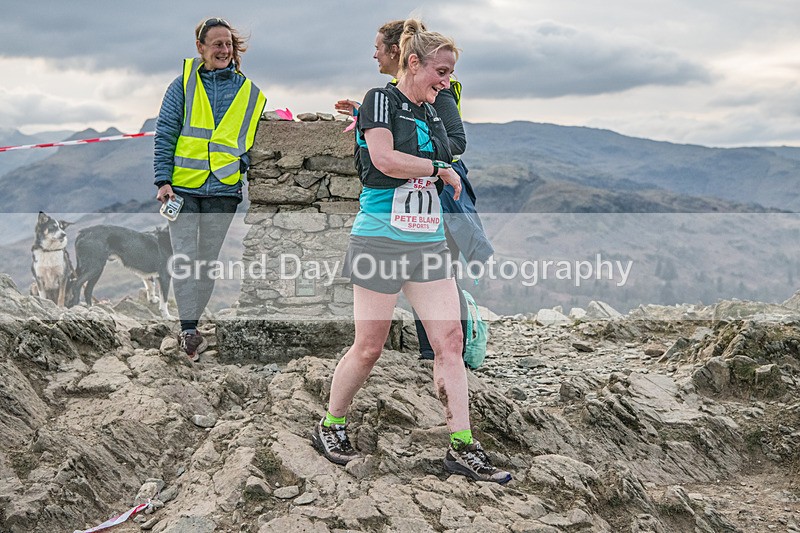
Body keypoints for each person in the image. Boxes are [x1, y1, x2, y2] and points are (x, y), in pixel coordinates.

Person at [314, 19, 511, 484]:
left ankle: (462, 448)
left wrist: (440, 159)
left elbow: (452, 146)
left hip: (426, 241)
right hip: (379, 238)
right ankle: (331, 424)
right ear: (413, 62)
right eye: (440, 72)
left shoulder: (435, 108)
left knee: (451, 343)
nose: (446, 82)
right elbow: (383, 159)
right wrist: (438, 167)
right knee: (369, 348)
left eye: (450, 75)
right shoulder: (380, 99)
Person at [336, 20, 493, 361]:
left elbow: (455, 142)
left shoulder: (438, 90)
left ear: (400, 53)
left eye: (379, 47)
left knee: (440, 280)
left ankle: (445, 357)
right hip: (403, 202)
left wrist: (423, 162)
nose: (374, 54)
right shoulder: (387, 96)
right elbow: (391, 142)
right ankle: (436, 357)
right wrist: (370, 121)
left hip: (439, 193)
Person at [153, 17, 266, 361]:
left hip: (223, 191)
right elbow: (166, 132)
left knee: (206, 261)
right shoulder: (182, 85)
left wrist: (240, 166)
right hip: (183, 190)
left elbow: (251, 141)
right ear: (200, 48)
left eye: (228, 44)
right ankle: (188, 330)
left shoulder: (249, 92)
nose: (223, 50)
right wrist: (163, 179)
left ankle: (192, 322)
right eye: (216, 44)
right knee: (185, 259)